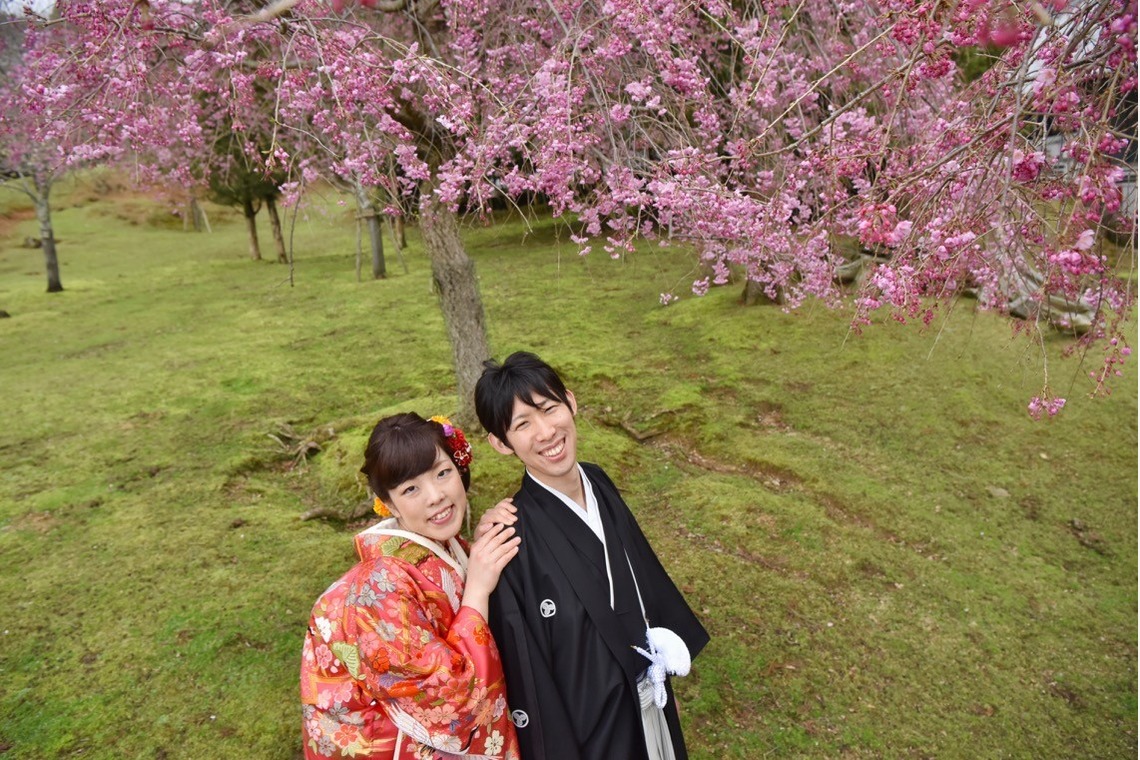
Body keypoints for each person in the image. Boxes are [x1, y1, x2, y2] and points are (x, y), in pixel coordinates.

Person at [474, 352, 710, 760]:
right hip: (592, 735)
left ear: (571, 401)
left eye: (549, 409)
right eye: (523, 424)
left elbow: (638, 572)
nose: (546, 432)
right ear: (500, 442)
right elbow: (528, 676)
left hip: (651, 696)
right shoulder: (509, 536)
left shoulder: (597, 479)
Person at [300, 413, 522, 760]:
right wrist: (477, 589)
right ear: (387, 503)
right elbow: (453, 704)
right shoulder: (378, 591)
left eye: (442, 472)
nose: (436, 495)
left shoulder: (449, 549)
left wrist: (479, 551)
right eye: (411, 489)